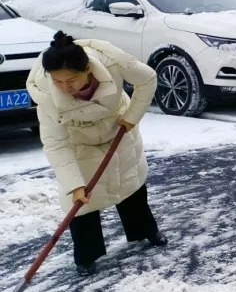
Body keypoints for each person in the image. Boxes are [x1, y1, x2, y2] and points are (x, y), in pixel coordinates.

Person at [25, 33, 167, 276]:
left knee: (129, 183)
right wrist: (74, 185)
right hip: (79, 141)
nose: (65, 88)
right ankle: (87, 255)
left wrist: (132, 116)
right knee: (82, 203)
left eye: (71, 80)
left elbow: (148, 79)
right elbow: (55, 144)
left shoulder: (111, 59)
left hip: (118, 129)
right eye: (58, 81)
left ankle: (145, 230)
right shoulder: (47, 96)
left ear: (88, 69)